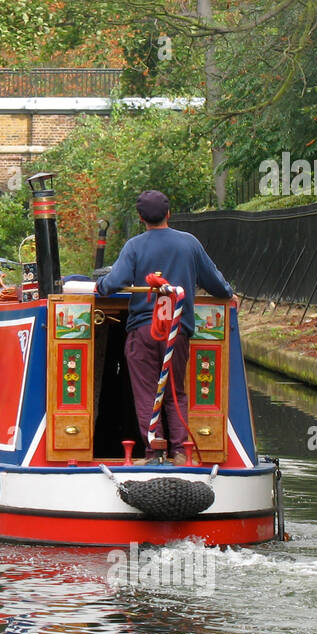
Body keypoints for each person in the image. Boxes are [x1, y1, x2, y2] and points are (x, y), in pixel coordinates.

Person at [95, 189, 234, 464]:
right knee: (174, 391)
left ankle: (153, 452)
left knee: (147, 392)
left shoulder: (134, 246)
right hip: (177, 330)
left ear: (140, 217)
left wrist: (99, 284)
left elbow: (112, 284)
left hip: (143, 331)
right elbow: (215, 282)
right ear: (169, 214)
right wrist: (228, 293)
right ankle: (181, 452)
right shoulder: (190, 244)